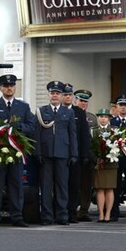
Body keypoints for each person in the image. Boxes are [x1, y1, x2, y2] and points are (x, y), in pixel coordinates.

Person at [35, 81, 78, 225]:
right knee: (46, 187)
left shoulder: (69, 112)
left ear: (61, 96)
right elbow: (38, 134)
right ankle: (47, 216)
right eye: (52, 93)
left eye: (57, 93)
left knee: (62, 187)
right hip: (46, 154)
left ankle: (62, 216)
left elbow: (72, 134)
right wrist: (38, 153)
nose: (55, 96)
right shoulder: (42, 111)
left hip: (63, 153)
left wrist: (74, 154)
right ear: (49, 94)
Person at [0, 73, 35, 227]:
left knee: (16, 185)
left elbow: (32, 126)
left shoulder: (23, 107)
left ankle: (17, 217)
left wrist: (19, 127)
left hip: (17, 151)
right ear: (0, 88)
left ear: (15, 87)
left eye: (11, 86)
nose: (9, 88)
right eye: (6, 86)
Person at [61, 84, 91, 224]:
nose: (67, 97)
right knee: (60, 185)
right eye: (65, 95)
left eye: (69, 95)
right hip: (60, 154)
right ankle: (60, 212)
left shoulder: (79, 112)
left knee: (74, 186)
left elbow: (84, 135)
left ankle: (72, 213)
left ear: (72, 97)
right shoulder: (56, 110)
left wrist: (84, 155)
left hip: (76, 156)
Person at [91, 109, 118, 223]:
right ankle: (101, 214)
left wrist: (110, 155)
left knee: (109, 188)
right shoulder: (93, 131)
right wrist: (97, 159)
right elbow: (90, 146)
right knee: (100, 188)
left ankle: (108, 214)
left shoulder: (115, 130)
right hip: (99, 163)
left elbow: (119, 145)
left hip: (111, 163)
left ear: (109, 118)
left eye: (105, 117)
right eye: (101, 116)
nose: (103, 119)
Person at [75, 89, 98, 221]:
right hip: (75, 155)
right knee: (73, 185)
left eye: (85, 101)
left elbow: (94, 138)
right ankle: (71, 210)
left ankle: (84, 211)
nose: (83, 103)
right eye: (81, 100)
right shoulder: (71, 113)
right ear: (75, 100)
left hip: (89, 157)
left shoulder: (92, 118)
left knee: (86, 186)